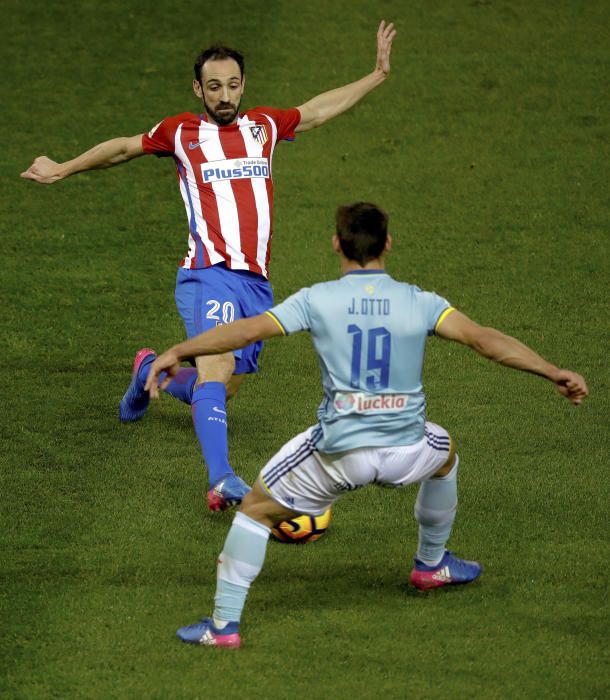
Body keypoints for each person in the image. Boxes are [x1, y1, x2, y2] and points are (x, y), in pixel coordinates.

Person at [143, 202, 588, 648]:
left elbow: (245, 332)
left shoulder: (316, 299)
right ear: (387, 244)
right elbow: (485, 341)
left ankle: (223, 628)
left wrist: (179, 351)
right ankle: (431, 565)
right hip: (407, 452)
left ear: (336, 243)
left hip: (340, 456)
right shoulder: (420, 301)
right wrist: (552, 371)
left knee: (255, 510)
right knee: (445, 453)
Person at [20, 22, 397, 512]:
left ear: (243, 85)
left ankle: (146, 371)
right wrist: (64, 167)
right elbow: (122, 148)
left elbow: (317, 111)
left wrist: (377, 74)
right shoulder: (180, 132)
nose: (225, 95)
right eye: (214, 86)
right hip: (208, 271)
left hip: (255, 283)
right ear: (198, 89)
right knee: (216, 370)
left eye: (233, 85)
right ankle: (221, 481)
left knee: (217, 387)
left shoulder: (262, 127)